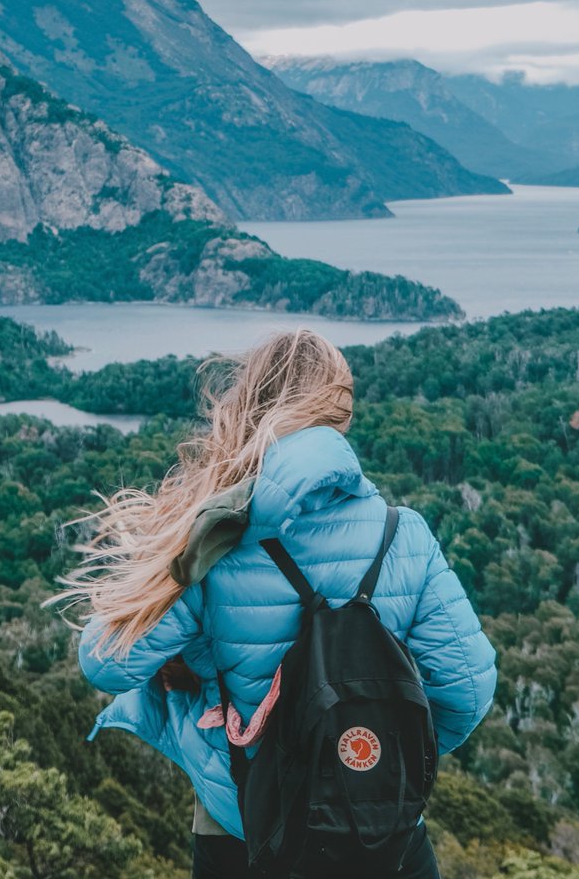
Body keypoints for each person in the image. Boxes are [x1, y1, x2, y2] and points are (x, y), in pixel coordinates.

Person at [58, 329, 497, 878]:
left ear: (249, 405)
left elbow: (102, 661)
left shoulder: (213, 539)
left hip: (245, 831)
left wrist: (195, 711)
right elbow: (467, 695)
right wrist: (365, 755)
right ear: (341, 412)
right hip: (383, 831)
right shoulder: (402, 535)